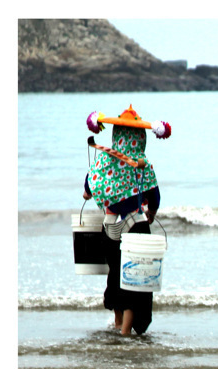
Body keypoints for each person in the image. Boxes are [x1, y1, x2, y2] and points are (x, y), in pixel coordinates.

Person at [84, 106, 170, 335]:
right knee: (135, 280)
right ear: (140, 138)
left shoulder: (104, 159)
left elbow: (88, 187)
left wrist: (90, 194)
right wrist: (151, 212)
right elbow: (155, 197)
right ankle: (126, 332)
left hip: (111, 227)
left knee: (115, 275)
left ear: (117, 135)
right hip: (136, 227)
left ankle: (117, 322)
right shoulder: (143, 164)